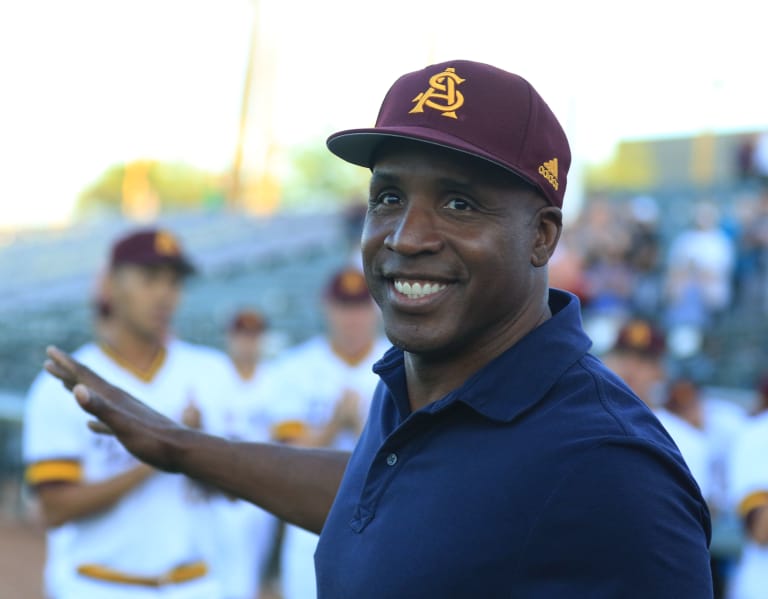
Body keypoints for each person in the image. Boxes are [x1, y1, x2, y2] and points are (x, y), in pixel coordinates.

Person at [44, 59, 713, 597]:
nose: (406, 235)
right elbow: (391, 498)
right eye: (388, 196)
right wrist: (183, 446)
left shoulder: (609, 464)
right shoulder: (420, 379)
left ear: (541, 237)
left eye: (458, 202)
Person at [23, 228, 231, 598]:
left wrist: (197, 452)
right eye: (150, 278)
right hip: (97, 584)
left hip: (194, 583)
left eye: (174, 282)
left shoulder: (211, 371)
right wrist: (161, 452)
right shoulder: (66, 380)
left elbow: (235, 492)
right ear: (111, 285)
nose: (165, 294)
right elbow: (53, 509)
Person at [265, 267, 388, 599]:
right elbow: (288, 455)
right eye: (344, 307)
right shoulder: (294, 367)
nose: (352, 317)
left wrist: (361, 425)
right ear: (327, 307)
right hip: (311, 518)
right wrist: (335, 424)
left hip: (385, 520)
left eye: (360, 306)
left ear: (375, 308)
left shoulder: (404, 362)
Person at [204, 310, 281, 599]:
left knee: (251, 574)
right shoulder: (212, 377)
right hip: (218, 492)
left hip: (259, 490)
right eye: (241, 335)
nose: (247, 343)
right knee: (221, 576)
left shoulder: (275, 379)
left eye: (253, 336)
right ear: (229, 337)